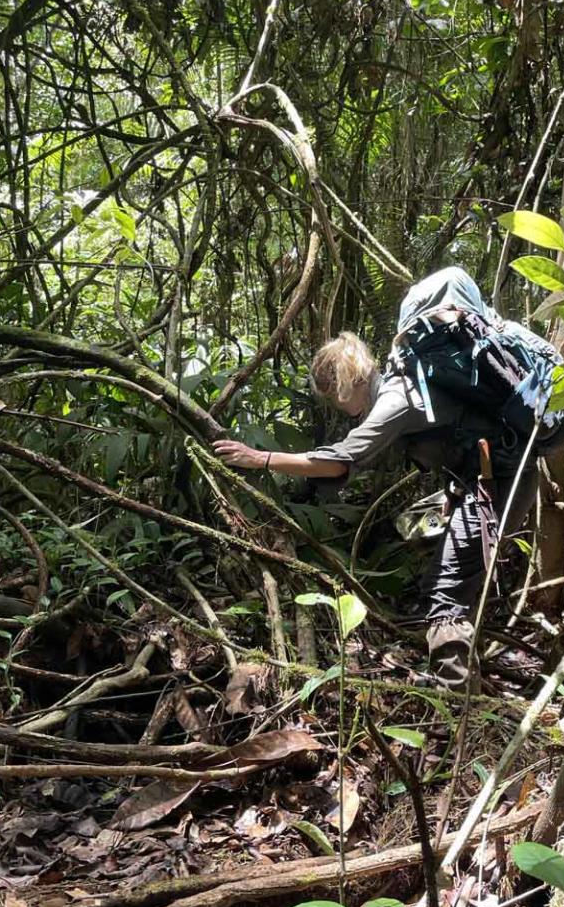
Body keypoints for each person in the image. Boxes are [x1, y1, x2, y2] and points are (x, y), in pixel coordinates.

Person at [213, 274, 544, 690]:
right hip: (490, 479)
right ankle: (460, 679)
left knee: (446, 586)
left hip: (503, 483)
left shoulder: (396, 396)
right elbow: (460, 434)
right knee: (445, 571)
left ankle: (461, 698)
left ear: (344, 382)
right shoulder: (405, 381)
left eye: (334, 397)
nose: (338, 407)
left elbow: (339, 461)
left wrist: (261, 458)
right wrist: (455, 491)